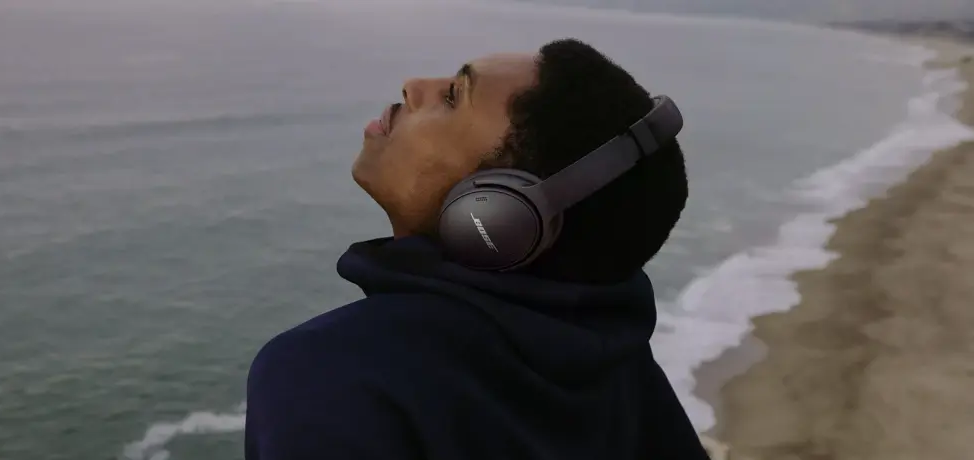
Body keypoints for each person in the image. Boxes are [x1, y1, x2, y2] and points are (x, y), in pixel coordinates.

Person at [244, 38, 709, 460]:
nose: (411, 86)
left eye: (452, 98)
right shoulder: (616, 365)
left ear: (500, 214)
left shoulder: (331, 376)